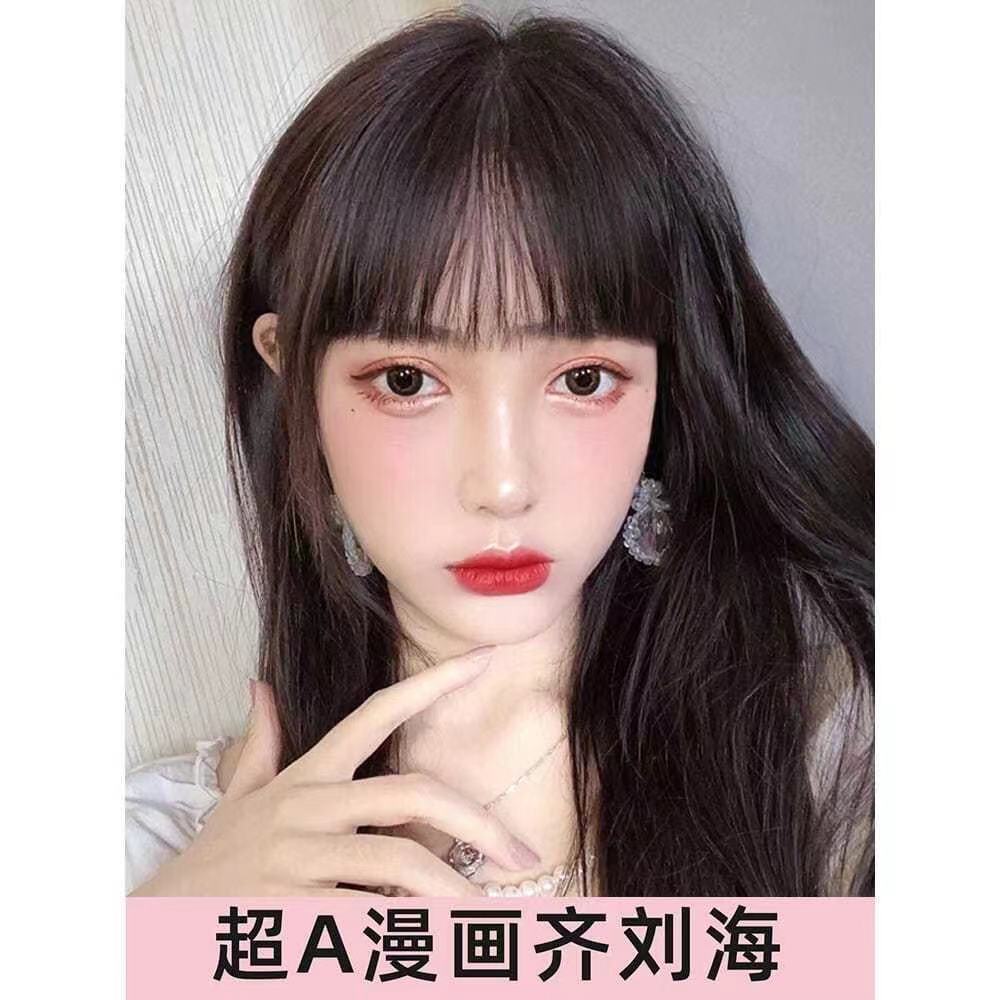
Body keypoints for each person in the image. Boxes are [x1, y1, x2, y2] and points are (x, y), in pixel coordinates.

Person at [126, 10, 873, 898]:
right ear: (292, 380)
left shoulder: (832, 763)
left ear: (667, 381)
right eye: (407, 381)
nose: (504, 485)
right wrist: (170, 941)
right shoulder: (158, 852)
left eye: (584, 379)